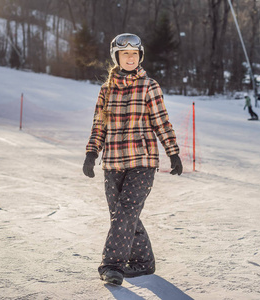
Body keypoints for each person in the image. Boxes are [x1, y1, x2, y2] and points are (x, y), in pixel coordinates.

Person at [82, 33, 183, 286]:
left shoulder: (150, 86)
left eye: (134, 54)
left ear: (140, 57)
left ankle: (111, 265)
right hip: (113, 161)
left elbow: (161, 121)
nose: (130, 57)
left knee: (125, 212)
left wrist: (173, 152)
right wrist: (91, 153)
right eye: (125, 53)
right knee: (122, 214)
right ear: (116, 56)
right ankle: (143, 262)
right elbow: (99, 126)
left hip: (143, 161)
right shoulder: (106, 90)